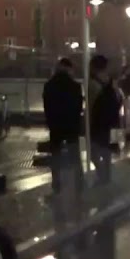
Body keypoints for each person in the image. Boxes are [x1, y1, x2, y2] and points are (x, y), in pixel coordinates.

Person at [42, 58, 84, 195]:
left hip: (55, 125)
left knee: (56, 154)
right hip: (71, 125)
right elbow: (78, 107)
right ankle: (78, 182)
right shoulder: (75, 86)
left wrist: (50, 122)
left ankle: (57, 182)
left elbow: (47, 106)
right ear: (69, 69)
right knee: (74, 154)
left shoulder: (49, 85)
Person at [87, 55, 121, 185]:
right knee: (107, 153)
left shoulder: (93, 84)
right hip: (113, 123)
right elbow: (119, 99)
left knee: (94, 152)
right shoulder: (111, 82)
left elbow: (91, 106)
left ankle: (103, 176)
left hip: (99, 124)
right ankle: (106, 177)